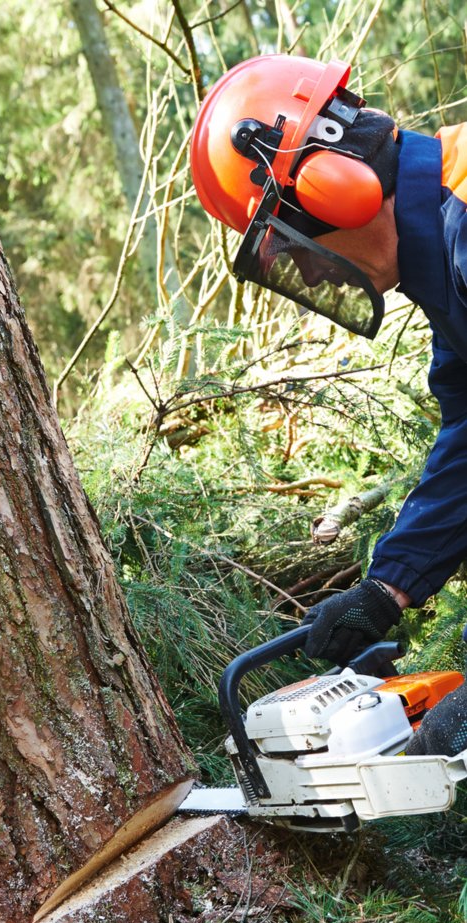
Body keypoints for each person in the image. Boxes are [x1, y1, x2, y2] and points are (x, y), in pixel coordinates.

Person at [190, 53, 467, 756]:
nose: (311, 269)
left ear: (336, 187)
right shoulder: (446, 239)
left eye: (300, 245)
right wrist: (387, 590)